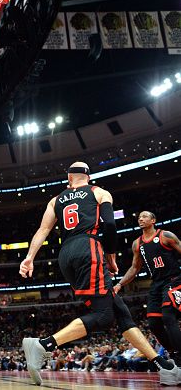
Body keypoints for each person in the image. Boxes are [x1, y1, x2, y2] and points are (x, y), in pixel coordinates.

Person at [18, 162, 179, 386]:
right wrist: (111, 256)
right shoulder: (99, 192)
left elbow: (43, 230)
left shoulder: (55, 200)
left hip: (66, 255)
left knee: (121, 312)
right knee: (103, 316)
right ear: (88, 176)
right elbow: (110, 225)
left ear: (69, 179)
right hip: (88, 248)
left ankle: (165, 366)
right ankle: (44, 344)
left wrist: (30, 257)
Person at [114, 211, 181, 362]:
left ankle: (180, 357)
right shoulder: (137, 244)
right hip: (156, 284)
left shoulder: (166, 236)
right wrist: (119, 284)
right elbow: (134, 268)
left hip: (174, 280)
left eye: (144, 216)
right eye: (139, 217)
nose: (140, 219)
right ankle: (173, 353)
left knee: (168, 316)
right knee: (153, 323)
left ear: (153, 220)